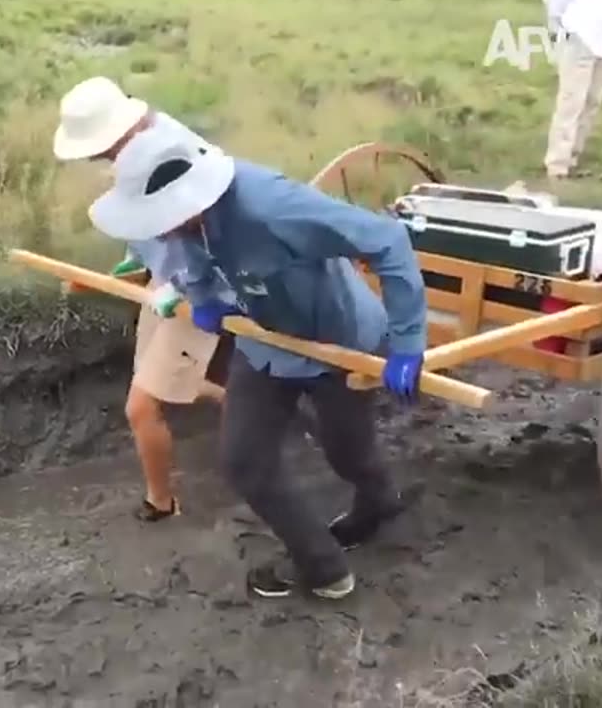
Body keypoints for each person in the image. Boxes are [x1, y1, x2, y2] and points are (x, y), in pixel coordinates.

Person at [86, 123, 426, 600]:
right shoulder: (181, 220)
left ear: (192, 199)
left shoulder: (273, 208)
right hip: (263, 339)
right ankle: (324, 568)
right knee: (245, 461)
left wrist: (408, 341)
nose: (158, 230)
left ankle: (378, 501)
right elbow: (189, 260)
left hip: (339, 343)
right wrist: (203, 297)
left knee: (347, 451)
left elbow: (387, 240)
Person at [52, 76, 230, 522]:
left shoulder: (174, 151)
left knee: (141, 406)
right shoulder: (133, 151)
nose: (96, 157)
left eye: (98, 148)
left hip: (198, 288)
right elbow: (145, 217)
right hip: (165, 282)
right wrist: (133, 262)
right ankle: (237, 399)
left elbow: (210, 228)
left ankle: (161, 502)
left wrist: (184, 286)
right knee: (153, 378)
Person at [542, 0, 602, 179]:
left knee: (592, 101)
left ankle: (573, 157)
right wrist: (559, 27)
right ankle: (557, 164)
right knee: (571, 101)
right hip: (579, 34)